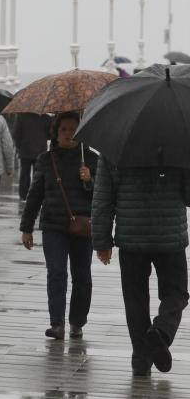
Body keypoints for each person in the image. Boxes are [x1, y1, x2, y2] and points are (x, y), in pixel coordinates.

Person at [92, 156, 190, 376]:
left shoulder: (115, 148)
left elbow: (103, 199)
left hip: (131, 237)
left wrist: (102, 241)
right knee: (176, 293)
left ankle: (141, 358)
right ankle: (161, 331)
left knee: (135, 298)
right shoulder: (179, 144)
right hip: (169, 235)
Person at [19, 112, 97, 340]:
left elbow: (103, 195)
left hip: (83, 226)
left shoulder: (91, 159)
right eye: (64, 129)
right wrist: (27, 227)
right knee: (57, 273)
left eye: (73, 129)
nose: (68, 134)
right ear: (56, 132)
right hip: (53, 224)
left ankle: (77, 322)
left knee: (82, 276)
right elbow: (35, 195)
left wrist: (89, 180)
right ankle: (57, 323)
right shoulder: (46, 159)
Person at [12, 113, 53, 201]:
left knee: (24, 174)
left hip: (25, 149)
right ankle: (35, 194)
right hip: (40, 151)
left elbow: (16, 134)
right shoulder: (47, 118)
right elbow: (50, 135)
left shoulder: (21, 116)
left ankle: (23, 195)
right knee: (37, 175)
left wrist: (19, 146)